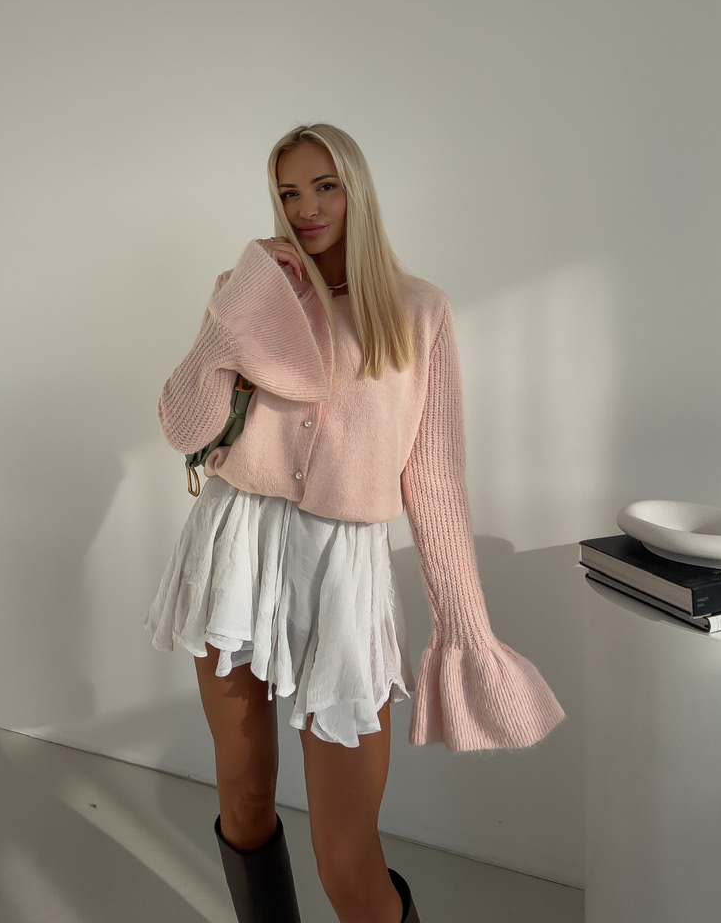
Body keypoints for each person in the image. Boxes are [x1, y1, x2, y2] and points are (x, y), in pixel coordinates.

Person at [146, 123, 564, 923]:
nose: (306, 208)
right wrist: (235, 311)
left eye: (325, 186)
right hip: (236, 547)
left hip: (342, 571)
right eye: (289, 192)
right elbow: (182, 426)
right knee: (244, 799)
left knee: (346, 858)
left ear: (357, 191)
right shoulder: (248, 291)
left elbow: (434, 479)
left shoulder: (418, 313)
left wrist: (465, 631)